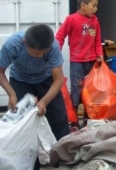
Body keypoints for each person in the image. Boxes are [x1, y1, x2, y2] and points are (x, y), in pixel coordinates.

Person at [0, 24, 70, 169]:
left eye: (42, 54)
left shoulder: (53, 47)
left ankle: (62, 158)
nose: (40, 56)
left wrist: (44, 101)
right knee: (21, 122)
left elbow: (58, 79)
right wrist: (11, 93)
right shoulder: (12, 44)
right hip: (20, 80)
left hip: (46, 79)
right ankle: (28, 162)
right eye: (36, 53)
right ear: (25, 43)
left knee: (59, 117)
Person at [55, 0, 103, 117]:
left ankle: (89, 115)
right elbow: (60, 36)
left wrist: (99, 54)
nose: (96, 9)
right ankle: (74, 115)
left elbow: (98, 40)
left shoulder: (95, 21)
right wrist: (55, 54)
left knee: (91, 88)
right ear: (83, 5)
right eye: (94, 5)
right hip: (77, 61)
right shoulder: (71, 19)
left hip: (92, 60)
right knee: (77, 88)